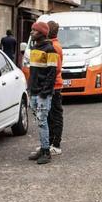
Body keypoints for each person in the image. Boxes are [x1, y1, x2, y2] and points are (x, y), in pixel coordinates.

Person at [27, 21, 58, 164]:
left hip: (42, 94)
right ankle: (43, 147)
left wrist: (44, 92)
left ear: (41, 33)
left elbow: (52, 73)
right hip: (33, 92)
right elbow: (33, 72)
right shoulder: (34, 48)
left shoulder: (50, 49)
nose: (31, 33)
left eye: (34, 31)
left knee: (42, 121)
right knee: (39, 121)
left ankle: (46, 151)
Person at [46, 21, 63, 155]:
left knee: (55, 116)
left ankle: (56, 144)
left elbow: (55, 69)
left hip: (54, 86)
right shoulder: (53, 45)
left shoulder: (54, 47)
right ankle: (50, 142)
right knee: (50, 116)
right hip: (53, 85)